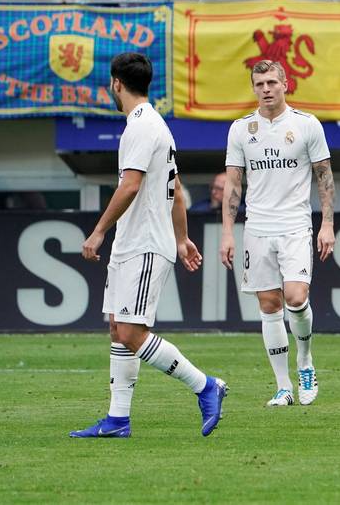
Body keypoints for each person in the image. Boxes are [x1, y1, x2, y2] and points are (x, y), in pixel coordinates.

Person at [71, 52, 227, 439]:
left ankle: (206, 386)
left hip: (142, 243)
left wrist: (98, 231)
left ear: (116, 84)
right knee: (117, 328)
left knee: (131, 332)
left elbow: (132, 185)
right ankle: (117, 419)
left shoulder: (140, 127)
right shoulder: (156, 126)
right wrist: (182, 237)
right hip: (135, 242)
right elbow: (174, 192)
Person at [220, 60, 335, 407]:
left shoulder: (306, 125)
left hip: (295, 226)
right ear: (253, 88)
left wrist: (327, 224)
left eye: (272, 82)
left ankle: (305, 362)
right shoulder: (241, 129)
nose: (266, 89)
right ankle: (283, 386)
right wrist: (227, 233)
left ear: (286, 83)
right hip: (257, 227)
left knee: (296, 298)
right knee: (269, 305)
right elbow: (233, 183)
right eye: (259, 84)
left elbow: (324, 177)